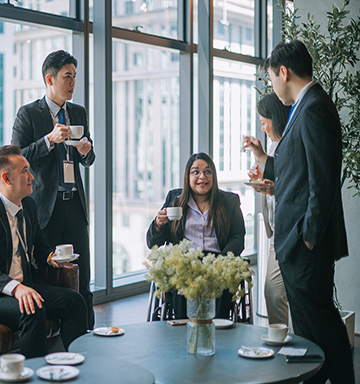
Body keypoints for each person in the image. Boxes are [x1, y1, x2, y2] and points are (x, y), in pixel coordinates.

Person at [246, 40, 353, 384]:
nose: (274, 88)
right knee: (309, 330)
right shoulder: (304, 107)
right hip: (295, 244)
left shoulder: (314, 107)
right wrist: (265, 161)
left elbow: (322, 182)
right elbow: (298, 168)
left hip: (304, 245)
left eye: (272, 79)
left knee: (321, 327)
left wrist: (307, 238)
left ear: (283, 71)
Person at [0, 145, 88, 358]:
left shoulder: (28, 205)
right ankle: (35, 375)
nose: (32, 176)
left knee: (75, 302)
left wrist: (50, 257)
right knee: (32, 309)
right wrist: (17, 288)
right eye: (25, 171)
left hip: (24, 285)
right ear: (6, 179)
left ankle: (79, 366)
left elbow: (38, 242)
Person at [12, 50, 96, 329]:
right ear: (50, 79)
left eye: (75, 76)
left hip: (74, 204)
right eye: (67, 76)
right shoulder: (28, 114)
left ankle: (86, 335)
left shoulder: (78, 112)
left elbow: (89, 158)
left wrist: (86, 151)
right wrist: (49, 140)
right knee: (49, 273)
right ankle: (51, 336)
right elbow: (16, 156)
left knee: (81, 276)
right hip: (45, 208)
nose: (73, 82)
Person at [146, 153, 246, 319]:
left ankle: (218, 332)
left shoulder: (229, 201)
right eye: (196, 172)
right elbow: (152, 243)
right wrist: (158, 224)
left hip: (217, 262)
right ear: (187, 176)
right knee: (180, 279)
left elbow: (237, 237)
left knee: (221, 281)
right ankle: (183, 330)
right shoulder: (175, 200)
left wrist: (221, 262)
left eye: (208, 172)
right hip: (184, 264)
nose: (202, 177)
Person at [247, 92, 291, 326]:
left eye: (264, 122)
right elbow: (277, 179)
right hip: (279, 229)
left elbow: (292, 185)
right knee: (274, 293)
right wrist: (263, 180)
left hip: (289, 230)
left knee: (274, 292)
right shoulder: (276, 145)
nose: (263, 128)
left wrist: (272, 186)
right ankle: (283, 344)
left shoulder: (288, 143)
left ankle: (285, 345)